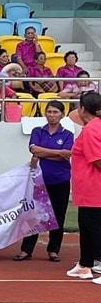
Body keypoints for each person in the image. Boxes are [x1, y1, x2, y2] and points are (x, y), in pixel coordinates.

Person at [16, 101, 73, 262]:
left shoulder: (67, 134)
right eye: (49, 112)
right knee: (34, 214)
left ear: (62, 115)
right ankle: (26, 250)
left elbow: (66, 154)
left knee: (58, 215)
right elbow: (34, 150)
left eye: (55, 112)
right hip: (40, 180)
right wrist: (57, 152)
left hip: (60, 180)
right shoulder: (38, 131)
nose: (52, 115)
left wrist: (43, 153)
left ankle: (53, 250)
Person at [68, 92, 101, 282]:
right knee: (87, 229)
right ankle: (85, 264)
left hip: (93, 189)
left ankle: (89, 263)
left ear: (82, 109)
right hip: (87, 189)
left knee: (94, 230)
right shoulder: (92, 127)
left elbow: (97, 160)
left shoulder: (92, 130)